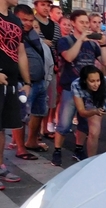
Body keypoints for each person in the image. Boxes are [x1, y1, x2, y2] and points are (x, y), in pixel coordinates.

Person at [52, 9, 106, 166]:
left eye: (86, 22)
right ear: (73, 23)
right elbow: (69, 57)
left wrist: (103, 45)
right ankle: (57, 150)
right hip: (70, 87)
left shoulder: (92, 43)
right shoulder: (65, 41)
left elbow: (105, 62)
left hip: (87, 90)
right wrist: (80, 40)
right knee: (64, 122)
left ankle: (78, 148)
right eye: (82, 22)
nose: (85, 25)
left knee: (84, 123)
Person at [12, 4, 54, 160]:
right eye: (24, 20)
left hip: (39, 81)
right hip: (22, 83)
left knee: (39, 112)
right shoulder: (14, 34)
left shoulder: (33, 34)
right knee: (21, 116)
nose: (28, 23)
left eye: (30, 20)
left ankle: (31, 142)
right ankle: (21, 148)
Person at [0, 0, 31, 190]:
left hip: (10, 83)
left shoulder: (15, 21)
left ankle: (0, 166)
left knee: (2, 128)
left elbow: (20, 53)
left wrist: (27, 82)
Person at [72, 65, 106, 155]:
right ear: (84, 80)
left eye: (98, 80)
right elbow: (81, 112)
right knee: (93, 133)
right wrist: (94, 111)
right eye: (92, 81)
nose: (96, 84)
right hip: (94, 106)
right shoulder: (76, 85)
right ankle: (91, 160)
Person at [34, 0, 60, 138]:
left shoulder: (55, 25)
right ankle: (33, 133)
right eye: (42, 4)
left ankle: (44, 128)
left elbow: (58, 45)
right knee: (33, 100)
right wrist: (41, 41)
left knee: (49, 99)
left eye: (48, 5)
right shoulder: (31, 22)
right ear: (36, 6)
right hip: (36, 66)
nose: (45, 7)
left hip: (52, 66)